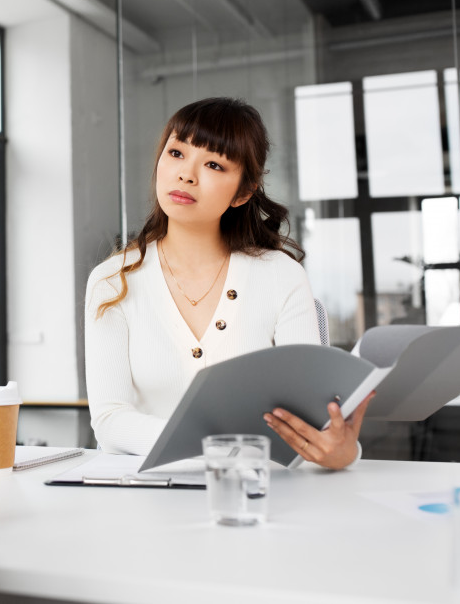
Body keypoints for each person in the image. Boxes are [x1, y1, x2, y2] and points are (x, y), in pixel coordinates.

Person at [85, 97, 374, 469]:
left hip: (255, 494)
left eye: (213, 164)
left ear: (243, 192)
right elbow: (110, 421)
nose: (186, 174)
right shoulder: (113, 281)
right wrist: (224, 447)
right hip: (146, 495)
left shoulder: (280, 275)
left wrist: (343, 452)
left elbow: (309, 417)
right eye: (176, 153)